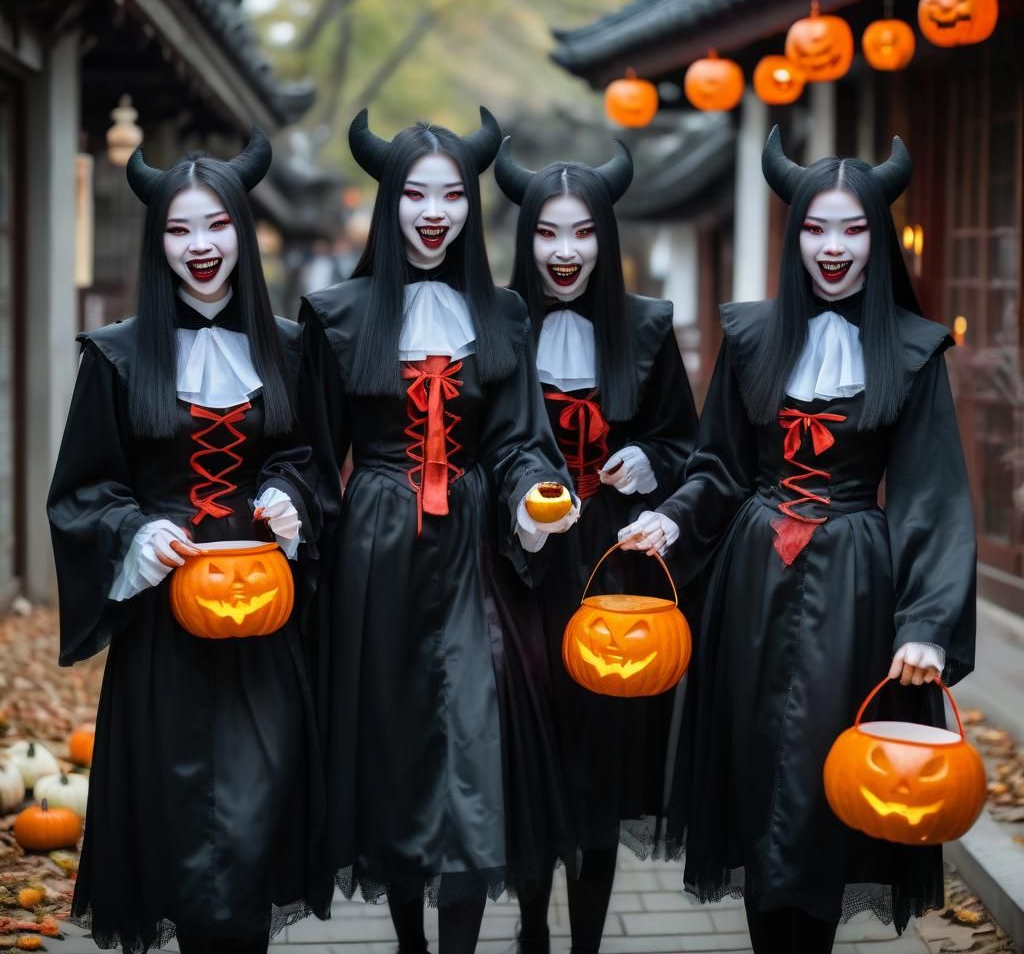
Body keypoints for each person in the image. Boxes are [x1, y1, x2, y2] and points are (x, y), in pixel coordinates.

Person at [621, 127, 976, 952]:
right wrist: (672, 517)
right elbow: (717, 467)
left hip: (853, 583)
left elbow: (931, 496)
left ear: (877, 236)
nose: (834, 246)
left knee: (823, 780)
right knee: (753, 772)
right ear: (795, 236)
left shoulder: (914, 352)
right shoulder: (750, 339)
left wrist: (924, 621)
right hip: (750, 580)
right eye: (817, 228)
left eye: (853, 228)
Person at [300, 109, 577, 954]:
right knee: (392, 744)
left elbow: (524, 439)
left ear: (469, 206)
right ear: (388, 202)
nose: (433, 210)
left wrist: (534, 493)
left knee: (469, 736)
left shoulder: (502, 316)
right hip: (375, 552)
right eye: (415, 192)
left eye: (452, 194)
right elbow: (311, 457)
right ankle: (409, 940)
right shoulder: (336, 316)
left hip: (472, 553)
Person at [46, 129, 330, 954]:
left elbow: (308, 457)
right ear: (156, 239)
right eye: (178, 229)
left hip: (265, 622)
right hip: (164, 627)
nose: (200, 247)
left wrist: (289, 497)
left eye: (217, 226)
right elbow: (81, 492)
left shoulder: (291, 346)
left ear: (245, 231)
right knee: (176, 819)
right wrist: (137, 532)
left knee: (255, 815)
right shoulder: (116, 357)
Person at [495, 137, 698, 954]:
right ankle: (533, 928)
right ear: (525, 239)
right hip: (522, 567)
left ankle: (585, 942)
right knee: (528, 752)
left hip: (616, 573)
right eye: (547, 233)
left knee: (604, 766)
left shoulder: (647, 327)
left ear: (606, 238)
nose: (565, 251)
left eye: (582, 233)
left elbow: (689, 443)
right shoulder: (498, 325)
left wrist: (650, 458)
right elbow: (482, 444)